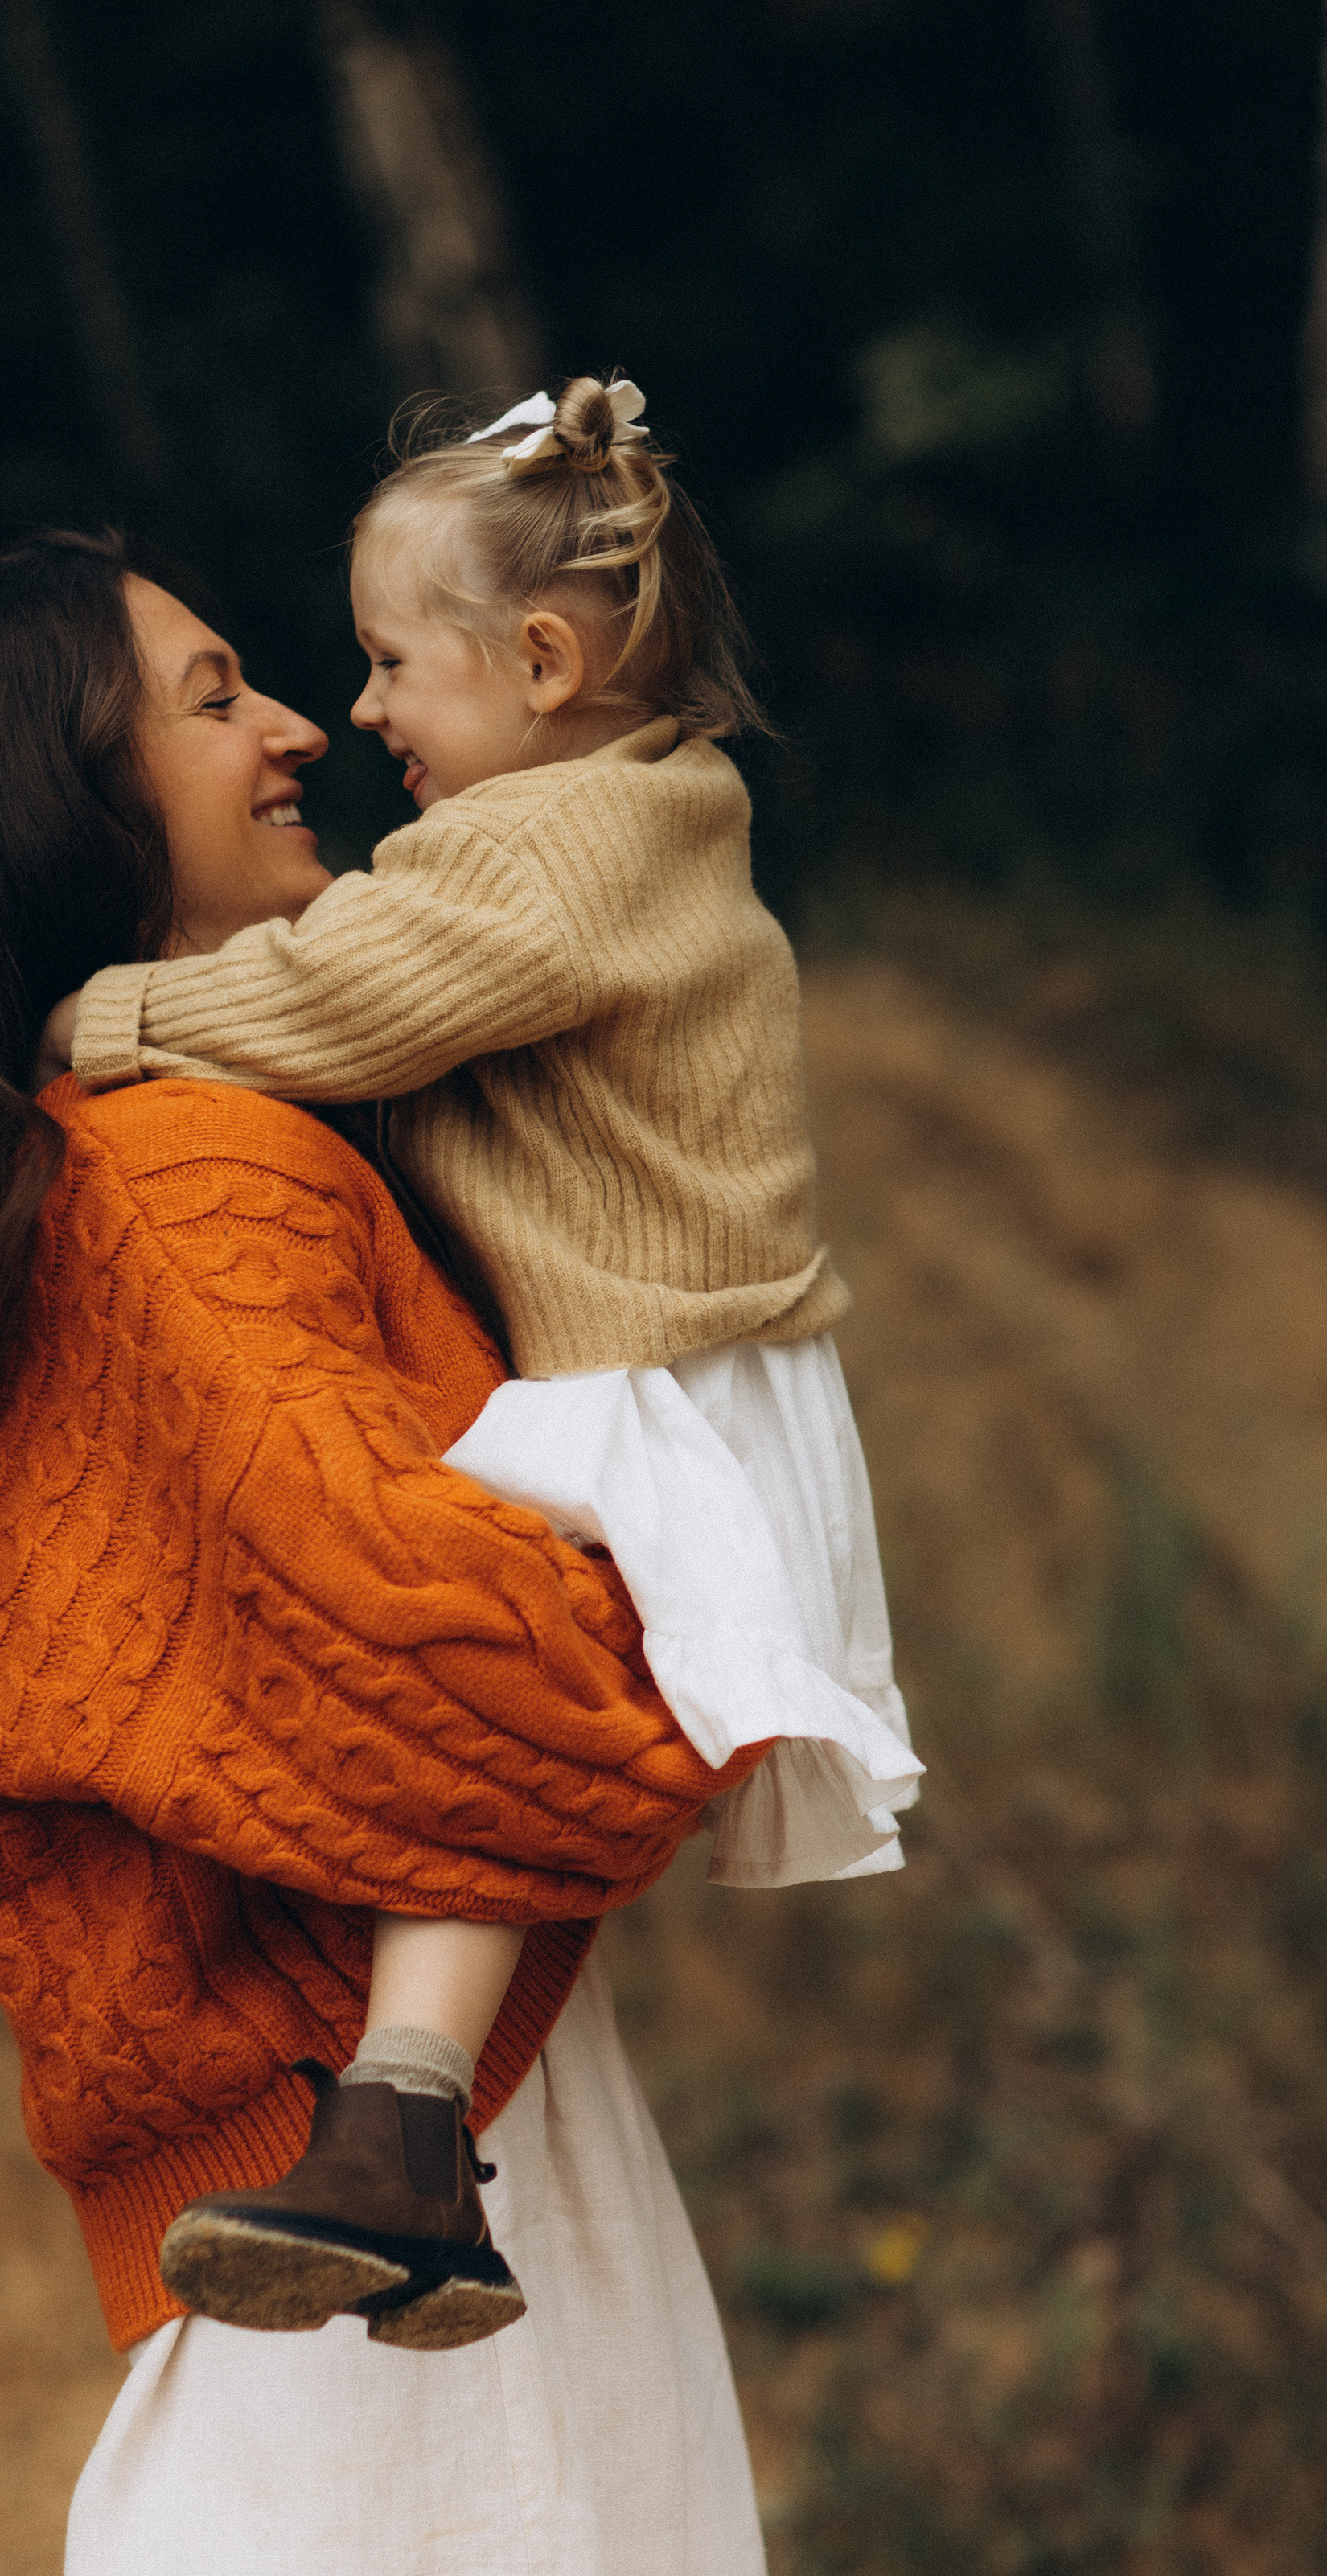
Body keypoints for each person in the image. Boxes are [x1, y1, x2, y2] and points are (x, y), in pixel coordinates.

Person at [0, 527, 787, 2576]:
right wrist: (697, 1631)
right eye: (214, 691)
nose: (291, 733)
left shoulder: (133, 1155)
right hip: (388, 2222)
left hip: (349, 2207)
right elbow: (475, 1679)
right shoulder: (195, 1171)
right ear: (67, 793)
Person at [50, 375, 918, 2348]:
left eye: (382, 665)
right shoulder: (619, 826)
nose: (348, 716)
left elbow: (339, 995)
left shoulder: (546, 857)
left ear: (539, 661)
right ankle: (415, 2141)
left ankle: (405, 2115)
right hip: (691, 1379)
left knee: (470, 1624)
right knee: (475, 1623)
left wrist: (100, 1024)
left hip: (648, 1388)